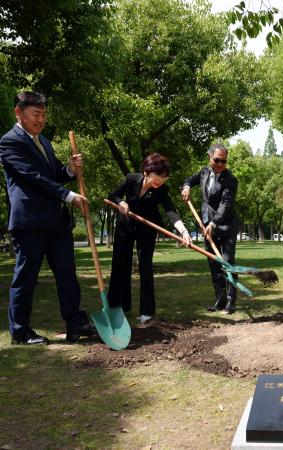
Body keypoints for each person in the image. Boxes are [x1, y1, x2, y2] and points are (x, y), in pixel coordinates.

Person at [0, 91, 95, 345]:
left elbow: (53, 174)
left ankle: (76, 323)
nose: (41, 120)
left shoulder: (44, 141)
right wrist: (68, 196)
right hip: (29, 222)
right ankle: (20, 331)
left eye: (44, 115)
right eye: (36, 115)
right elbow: (33, 177)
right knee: (26, 277)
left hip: (56, 221)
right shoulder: (9, 142)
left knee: (67, 273)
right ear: (19, 113)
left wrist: (69, 170)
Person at [107, 153, 191, 323]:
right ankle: (118, 307)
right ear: (146, 171)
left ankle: (147, 311)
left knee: (145, 268)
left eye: (164, 177)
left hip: (147, 230)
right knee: (120, 265)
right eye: (157, 176)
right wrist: (120, 203)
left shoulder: (161, 190)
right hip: (125, 226)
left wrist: (184, 232)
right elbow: (113, 195)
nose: (160, 180)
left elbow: (171, 211)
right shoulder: (131, 179)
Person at [181, 144, 239, 314]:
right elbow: (189, 180)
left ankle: (231, 302)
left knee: (227, 263)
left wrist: (213, 223)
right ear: (210, 158)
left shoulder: (231, 180)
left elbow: (225, 204)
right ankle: (220, 300)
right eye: (216, 160)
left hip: (225, 226)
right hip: (206, 226)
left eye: (224, 161)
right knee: (214, 264)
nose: (220, 163)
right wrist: (187, 186)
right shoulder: (205, 172)